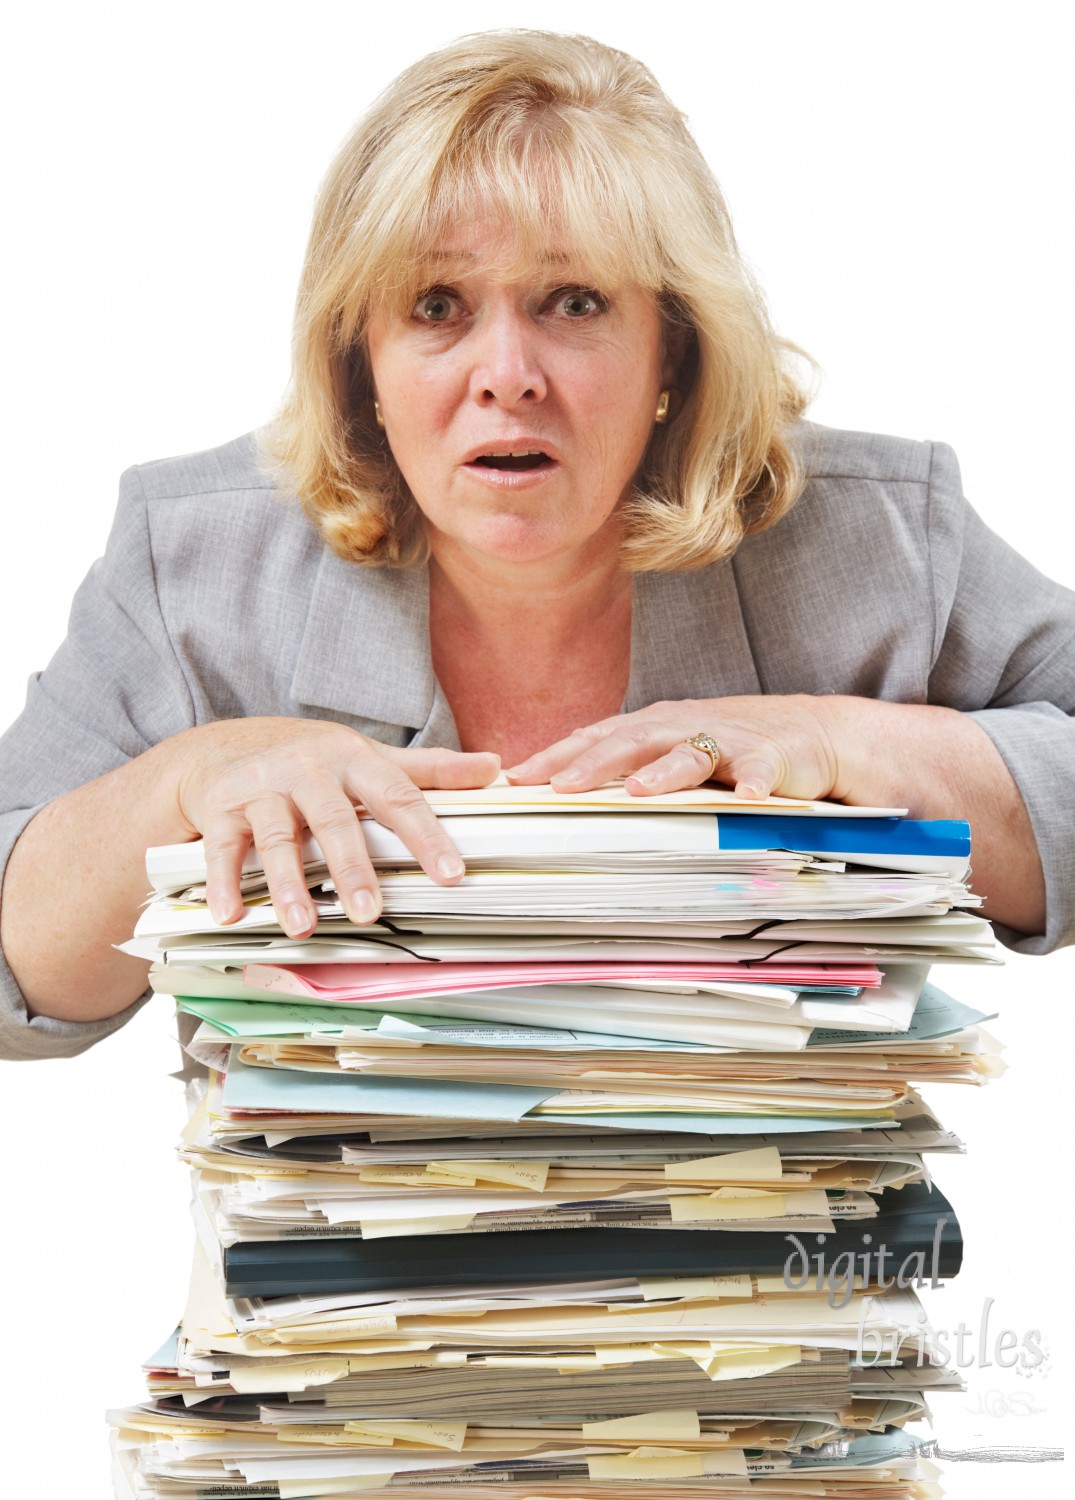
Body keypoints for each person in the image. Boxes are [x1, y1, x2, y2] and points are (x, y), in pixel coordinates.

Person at [1, 29, 1072, 1064]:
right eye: (435, 304)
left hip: (786, 1225)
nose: (506, 371)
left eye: (574, 300)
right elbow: (14, 976)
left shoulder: (881, 531)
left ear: (674, 349)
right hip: (335, 1230)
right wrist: (182, 782)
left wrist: (843, 739)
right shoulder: (188, 560)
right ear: (358, 362)